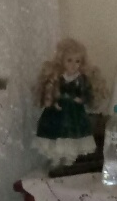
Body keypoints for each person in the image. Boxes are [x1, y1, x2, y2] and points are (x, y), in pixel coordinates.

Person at [33, 37, 107, 167]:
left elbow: (87, 93)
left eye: (77, 61)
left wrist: (81, 99)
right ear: (61, 61)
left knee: (72, 137)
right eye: (69, 60)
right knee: (56, 136)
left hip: (74, 114)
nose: (73, 65)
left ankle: (69, 160)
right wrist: (53, 100)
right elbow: (51, 92)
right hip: (57, 113)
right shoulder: (58, 78)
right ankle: (56, 159)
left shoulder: (81, 79)